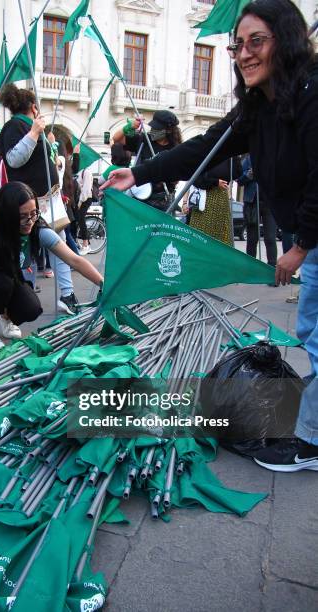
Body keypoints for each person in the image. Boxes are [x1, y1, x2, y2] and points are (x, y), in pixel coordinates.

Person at [103, 0, 318, 472]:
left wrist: (300, 244)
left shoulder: (311, 92)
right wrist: (136, 173)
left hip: (313, 236)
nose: (244, 54)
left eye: (256, 41)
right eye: (237, 45)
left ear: (287, 40)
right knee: (312, 333)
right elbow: (203, 147)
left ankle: (309, 441)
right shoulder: (260, 108)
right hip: (309, 238)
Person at [0, 182, 103, 351]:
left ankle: (5, 318)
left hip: (9, 277)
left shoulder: (39, 231)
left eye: (34, 213)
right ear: (7, 215)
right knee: (2, 283)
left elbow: (74, 260)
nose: (30, 221)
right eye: (23, 216)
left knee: (31, 308)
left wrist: (103, 284)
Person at [0, 83, 80, 314]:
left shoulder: (27, 127)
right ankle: (20, 298)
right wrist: (34, 133)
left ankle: (66, 294)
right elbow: (13, 159)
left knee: (58, 247)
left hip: (47, 201)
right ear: (34, 107)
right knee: (25, 249)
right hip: (29, 203)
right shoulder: (15, 126)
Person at [112, 109, 182, 209]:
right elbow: (116, 139)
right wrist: (129, 127)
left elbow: (178, 176)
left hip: (162, 200)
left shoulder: (176, 149)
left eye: (157, 128)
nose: (153, 130)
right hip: (139, 195)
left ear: (169, 130)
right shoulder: (144, 140)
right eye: (153, 127)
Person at [187, 158, 242, 245]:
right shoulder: (203, 154)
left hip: (221, 199)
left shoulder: (228, 157)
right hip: (204, 200)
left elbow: (238, 172)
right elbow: (196, 179)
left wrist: (235, 155)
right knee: (201, 235)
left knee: (222, 235)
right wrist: (215, 182)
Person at [237, 154, 277, 266]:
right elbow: (239, 180)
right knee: (252, 239)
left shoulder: (273, 157)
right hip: (252, 204)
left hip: (270, 204)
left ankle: (272, 269)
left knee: (270, 238)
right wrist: (249, 174)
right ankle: (251, 268)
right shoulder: (249, 159)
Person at [76, 168, 94, 256]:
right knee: (77, 219)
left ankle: (86, 244)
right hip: (81, 199)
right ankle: (82, 242)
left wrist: (79, 202)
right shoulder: (80, 172)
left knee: (81, 219)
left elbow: (86, 190)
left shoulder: (86, 172)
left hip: (85, 199)